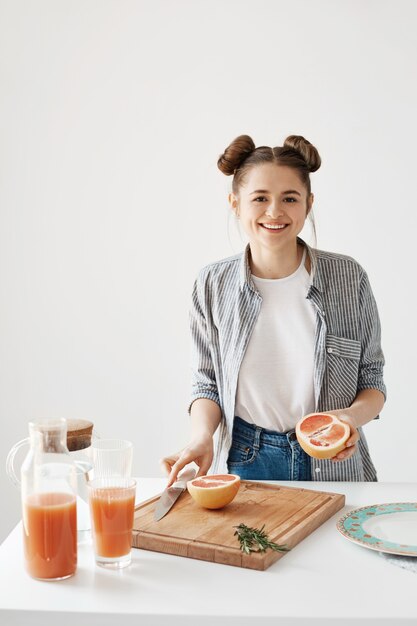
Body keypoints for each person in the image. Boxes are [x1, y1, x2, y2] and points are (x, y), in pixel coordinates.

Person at [161, 134, 386, 486]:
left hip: (333, 462)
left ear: (309, 204)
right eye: (260, 198)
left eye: (290, 198)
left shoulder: (348, 277)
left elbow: (372, 380)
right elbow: (206, 383)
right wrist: (202, 436)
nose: (274, 212)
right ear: (235, 203)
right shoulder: (211, 284)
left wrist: (349, 419)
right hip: (244, 460)